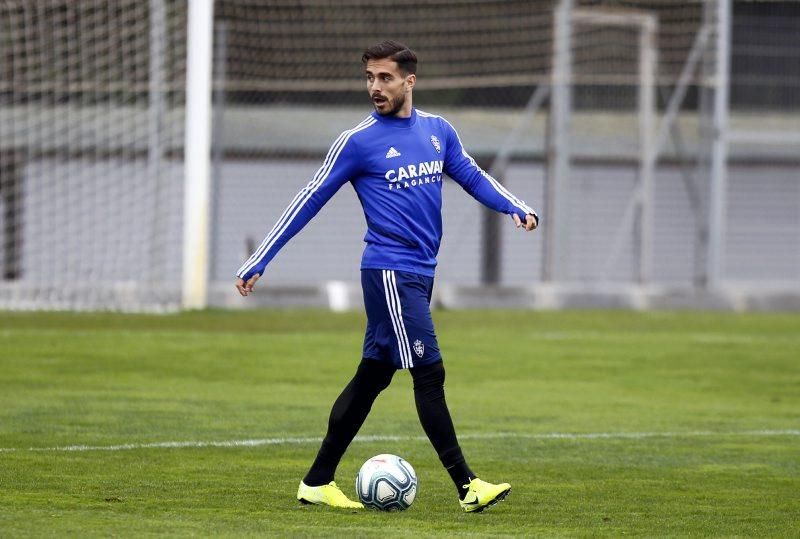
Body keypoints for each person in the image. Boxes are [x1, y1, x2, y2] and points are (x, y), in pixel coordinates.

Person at [235, 41, 538, 513]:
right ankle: (468, 486)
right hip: (390, 272)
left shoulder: (439, 131)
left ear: (409, 81)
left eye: (385, 78)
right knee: (429, 373)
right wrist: (261, 257)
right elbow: (310, 197)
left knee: (374, 374)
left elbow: (475, 177)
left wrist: (514, 205)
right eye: (370, 78)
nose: (375, 87)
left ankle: (316, 481)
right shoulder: (359, 141)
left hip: (420, 273)